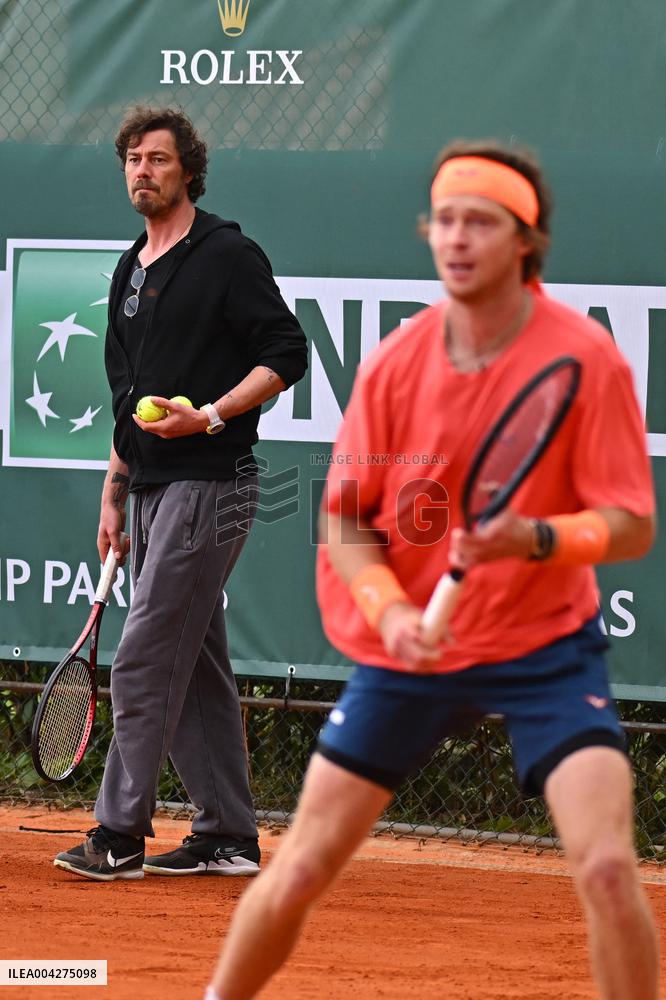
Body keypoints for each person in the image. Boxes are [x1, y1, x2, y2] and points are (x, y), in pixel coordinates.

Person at [206, 139, 659, 999]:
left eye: (480, 222)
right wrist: (389, 613)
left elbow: (631, 524)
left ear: (525, 241)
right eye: (445, 220)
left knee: (606, 867)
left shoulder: (584, 359)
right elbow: (344, 520)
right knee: (301, 864)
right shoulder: (395, 361)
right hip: (409, 649)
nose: (456, 237)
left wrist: (536, 540)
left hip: (545, 647)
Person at [54, 106, 308, 882]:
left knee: (143, 658)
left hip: (213, 482)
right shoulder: (130, 268)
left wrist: (212, 415)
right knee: (193, 664)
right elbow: (128, 399)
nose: (143, 170)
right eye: (133, 158)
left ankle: (118, 835)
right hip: (150, 488)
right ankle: (227, 834)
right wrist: (114, 490)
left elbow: (287, 352)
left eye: (158, 158)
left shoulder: (227, 254)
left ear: (189, 170)